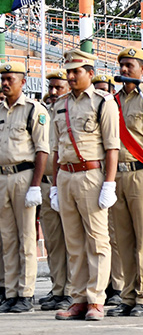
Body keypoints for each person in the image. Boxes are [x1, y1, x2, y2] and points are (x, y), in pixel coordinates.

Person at [51, 49, 121, 321]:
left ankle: (95, 299)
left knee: (97, 240)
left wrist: (109, 184)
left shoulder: (104, 102)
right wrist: (55, 184)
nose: (70, 77)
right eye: (68, 71)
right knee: (74, 242)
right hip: (66, 175)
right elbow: (56, 146)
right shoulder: (61, 104)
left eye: (75, 71)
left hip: (91, 175)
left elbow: (112, 147)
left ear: (90, 73)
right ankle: (78, 298)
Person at [105, 48, 143, 317]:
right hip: (117, 175)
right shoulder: (112, 101)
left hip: (141, 174)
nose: (125, 69)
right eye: (122, 64)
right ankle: (128, 295)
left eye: (130, 65)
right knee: (124, 239)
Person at [0, 62, 50, 314]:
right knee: (7, 238)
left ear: (22, 81)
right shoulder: (0, 110)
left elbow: (42, 150)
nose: (5, 83)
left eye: (10, 78)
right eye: (3, 78)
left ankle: (26, 292)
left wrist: (35, 186)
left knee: (26, 237)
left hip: (24, 175)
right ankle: (10, 292)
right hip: (3, 177)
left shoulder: (34, 110)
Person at [39, 70, 72, 311]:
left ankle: (72, 289)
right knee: (53, 241)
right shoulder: (42, 111)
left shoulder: (70, 110)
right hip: (46, 182)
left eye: (58, 87)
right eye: (51, 87)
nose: (53, 92)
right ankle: (58, 287)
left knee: (73, 239)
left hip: (68, 178)